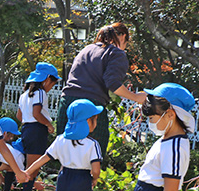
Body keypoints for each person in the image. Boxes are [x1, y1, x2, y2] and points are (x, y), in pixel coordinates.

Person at [56, 22, 147, 156]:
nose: (125, 46)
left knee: (66, 155)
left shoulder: (87, 49)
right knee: (93, 156)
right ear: (122, 37)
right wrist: (136, 97)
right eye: (126, 42)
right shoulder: (116, 53)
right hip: (91, 108)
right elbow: (113, 83)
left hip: (67, 104)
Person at [16, 62, 60, 191]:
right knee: (33, 167)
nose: (51, 87)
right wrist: (49, 125)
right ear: (47, 79)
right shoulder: (40, 93)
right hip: (36, 130)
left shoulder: (24, 95)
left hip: (27, 129)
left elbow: (19, 115)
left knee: (31, 165)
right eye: (53, 83)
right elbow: (37, 114)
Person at [0, 117, 25, 191]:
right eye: (10, 136)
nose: (11, 139)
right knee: (11, 168)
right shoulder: (14, 152)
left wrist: (5, 181)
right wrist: (35, 184)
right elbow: (21, 172)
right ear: (4, 133)